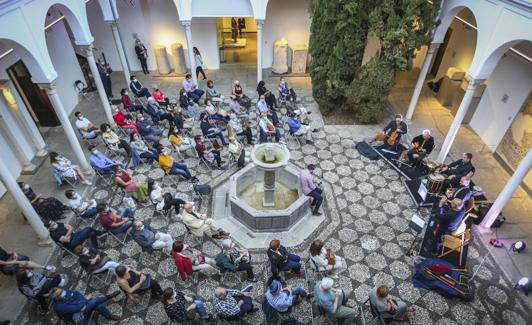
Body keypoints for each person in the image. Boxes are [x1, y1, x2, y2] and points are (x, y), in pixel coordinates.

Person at [432, 176, 472, 251]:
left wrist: (441, 204)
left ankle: (434, 250)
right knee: (444, 207)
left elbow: (438, 216)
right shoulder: (461, 209)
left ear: (454, 206)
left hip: (447, 228)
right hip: (453, 222)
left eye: (452, 203)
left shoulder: (450, 214)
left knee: (438, 233)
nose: (451, 203)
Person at [50, 287, 120, 321]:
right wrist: (85, 300)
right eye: (60, 294)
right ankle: (109, 296)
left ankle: (109, 316)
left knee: (98, 306)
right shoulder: (59, 306)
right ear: (56, 297)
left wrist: (82, 302)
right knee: (93, 302)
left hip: (81, 306)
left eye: (61, 291)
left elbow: (77, 293)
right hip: (77, 315)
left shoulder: (63, 292)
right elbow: (76, 309)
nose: (63, 293)